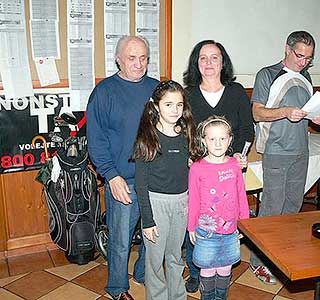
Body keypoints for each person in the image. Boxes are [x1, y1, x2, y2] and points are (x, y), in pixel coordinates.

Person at [251, 31, 320, 284]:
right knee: (272, 209)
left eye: (309, 58)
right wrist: (284, 112)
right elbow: (258, 114)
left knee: (293, 207)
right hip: (276, 150)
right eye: (299, 55)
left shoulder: (305, 78)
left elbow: (307, 112)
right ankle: (258, 262)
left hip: (300, 150)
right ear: (287, 48)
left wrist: (317, 117)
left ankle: (281, 255)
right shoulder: (267, 74)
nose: (303, 62)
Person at [86, 36, 158, 300]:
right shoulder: (104, 92)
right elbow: (96, 139)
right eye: (132, 58)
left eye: (144, 58)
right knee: (120, 239)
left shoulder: (157, 89)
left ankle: (143, 274)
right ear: (118, 59)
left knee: (153, 235)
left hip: (154, 178)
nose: (139, 64)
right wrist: (111, 176)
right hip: (123, 179)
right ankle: (117, 288)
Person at [183, 39, 254, 293]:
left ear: (223, 62)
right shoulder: (188, 94)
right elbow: (181, 131)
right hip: (197, 170)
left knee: (223, 216)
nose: (209, 63)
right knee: (198, 218)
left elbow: (247, 129)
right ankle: (195, 271)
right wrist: (190, 157)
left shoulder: (236, 92)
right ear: (196, 63)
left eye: (215, 57)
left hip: (227, 168)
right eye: (203, 58)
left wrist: (236, 155)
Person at [133, 80, 196, 300]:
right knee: (154, 260)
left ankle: (178, 296)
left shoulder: (187, 134)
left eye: (179, 104)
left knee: (176, 256)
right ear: (156, 106)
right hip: (156, 205)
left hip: (182, 203)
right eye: (168, 104)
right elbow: (140, 184)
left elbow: (194, 170)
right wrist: (147, 221)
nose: (175, 110)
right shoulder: (147, 139)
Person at [188, 116, 250, 300]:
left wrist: (244, 224)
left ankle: (221, 297)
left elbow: (241, 195)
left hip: (230, 230)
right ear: (203, 140)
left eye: (222, 139)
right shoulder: (197, 168)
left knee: (225, 267)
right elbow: (193, 199)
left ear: (230, 140)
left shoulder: (234, 165)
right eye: (212, 139)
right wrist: (191, 226)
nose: (217, 143)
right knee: (207, 268)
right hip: (206, 231)